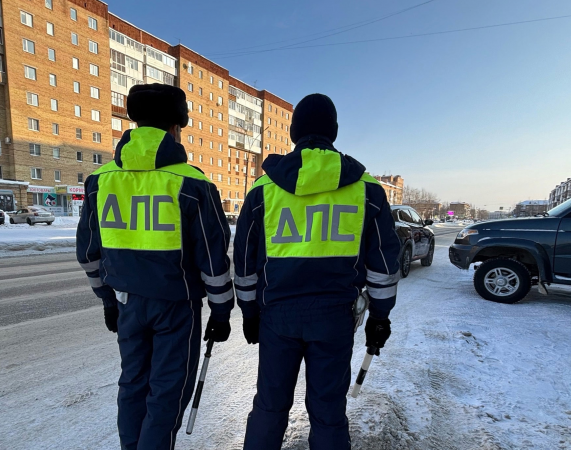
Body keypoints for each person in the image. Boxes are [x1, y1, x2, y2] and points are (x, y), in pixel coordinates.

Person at [233, 93, 401, 449]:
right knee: (328, 412)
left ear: (292, 132)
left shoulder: (263, 190)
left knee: (269, 407)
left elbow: (245, 263)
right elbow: (385, 263)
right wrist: (380, 317)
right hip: (335, 320)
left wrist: (249, 311)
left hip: (278, 317)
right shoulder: (367, 189)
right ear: (334, 132)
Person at [76, 83, 234, 450]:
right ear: (176, 128)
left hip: (127, 302)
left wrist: (106, 299)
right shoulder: (193, 183)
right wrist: (222, 310)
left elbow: (87, 253)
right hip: (176, 308)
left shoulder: (101, 181)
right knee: (167, 391)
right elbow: (212, 258)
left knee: (132, 384)